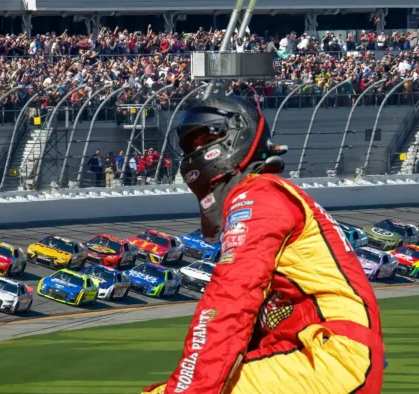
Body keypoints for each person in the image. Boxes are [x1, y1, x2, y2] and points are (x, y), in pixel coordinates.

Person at [142, 96, 384, 394]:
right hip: (326, 355)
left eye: (204, 139)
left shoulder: (258, 193)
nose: (195, 153)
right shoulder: (271, 196)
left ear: (235, 135)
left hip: (328, 357)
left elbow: (231, 297)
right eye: (190, 147)